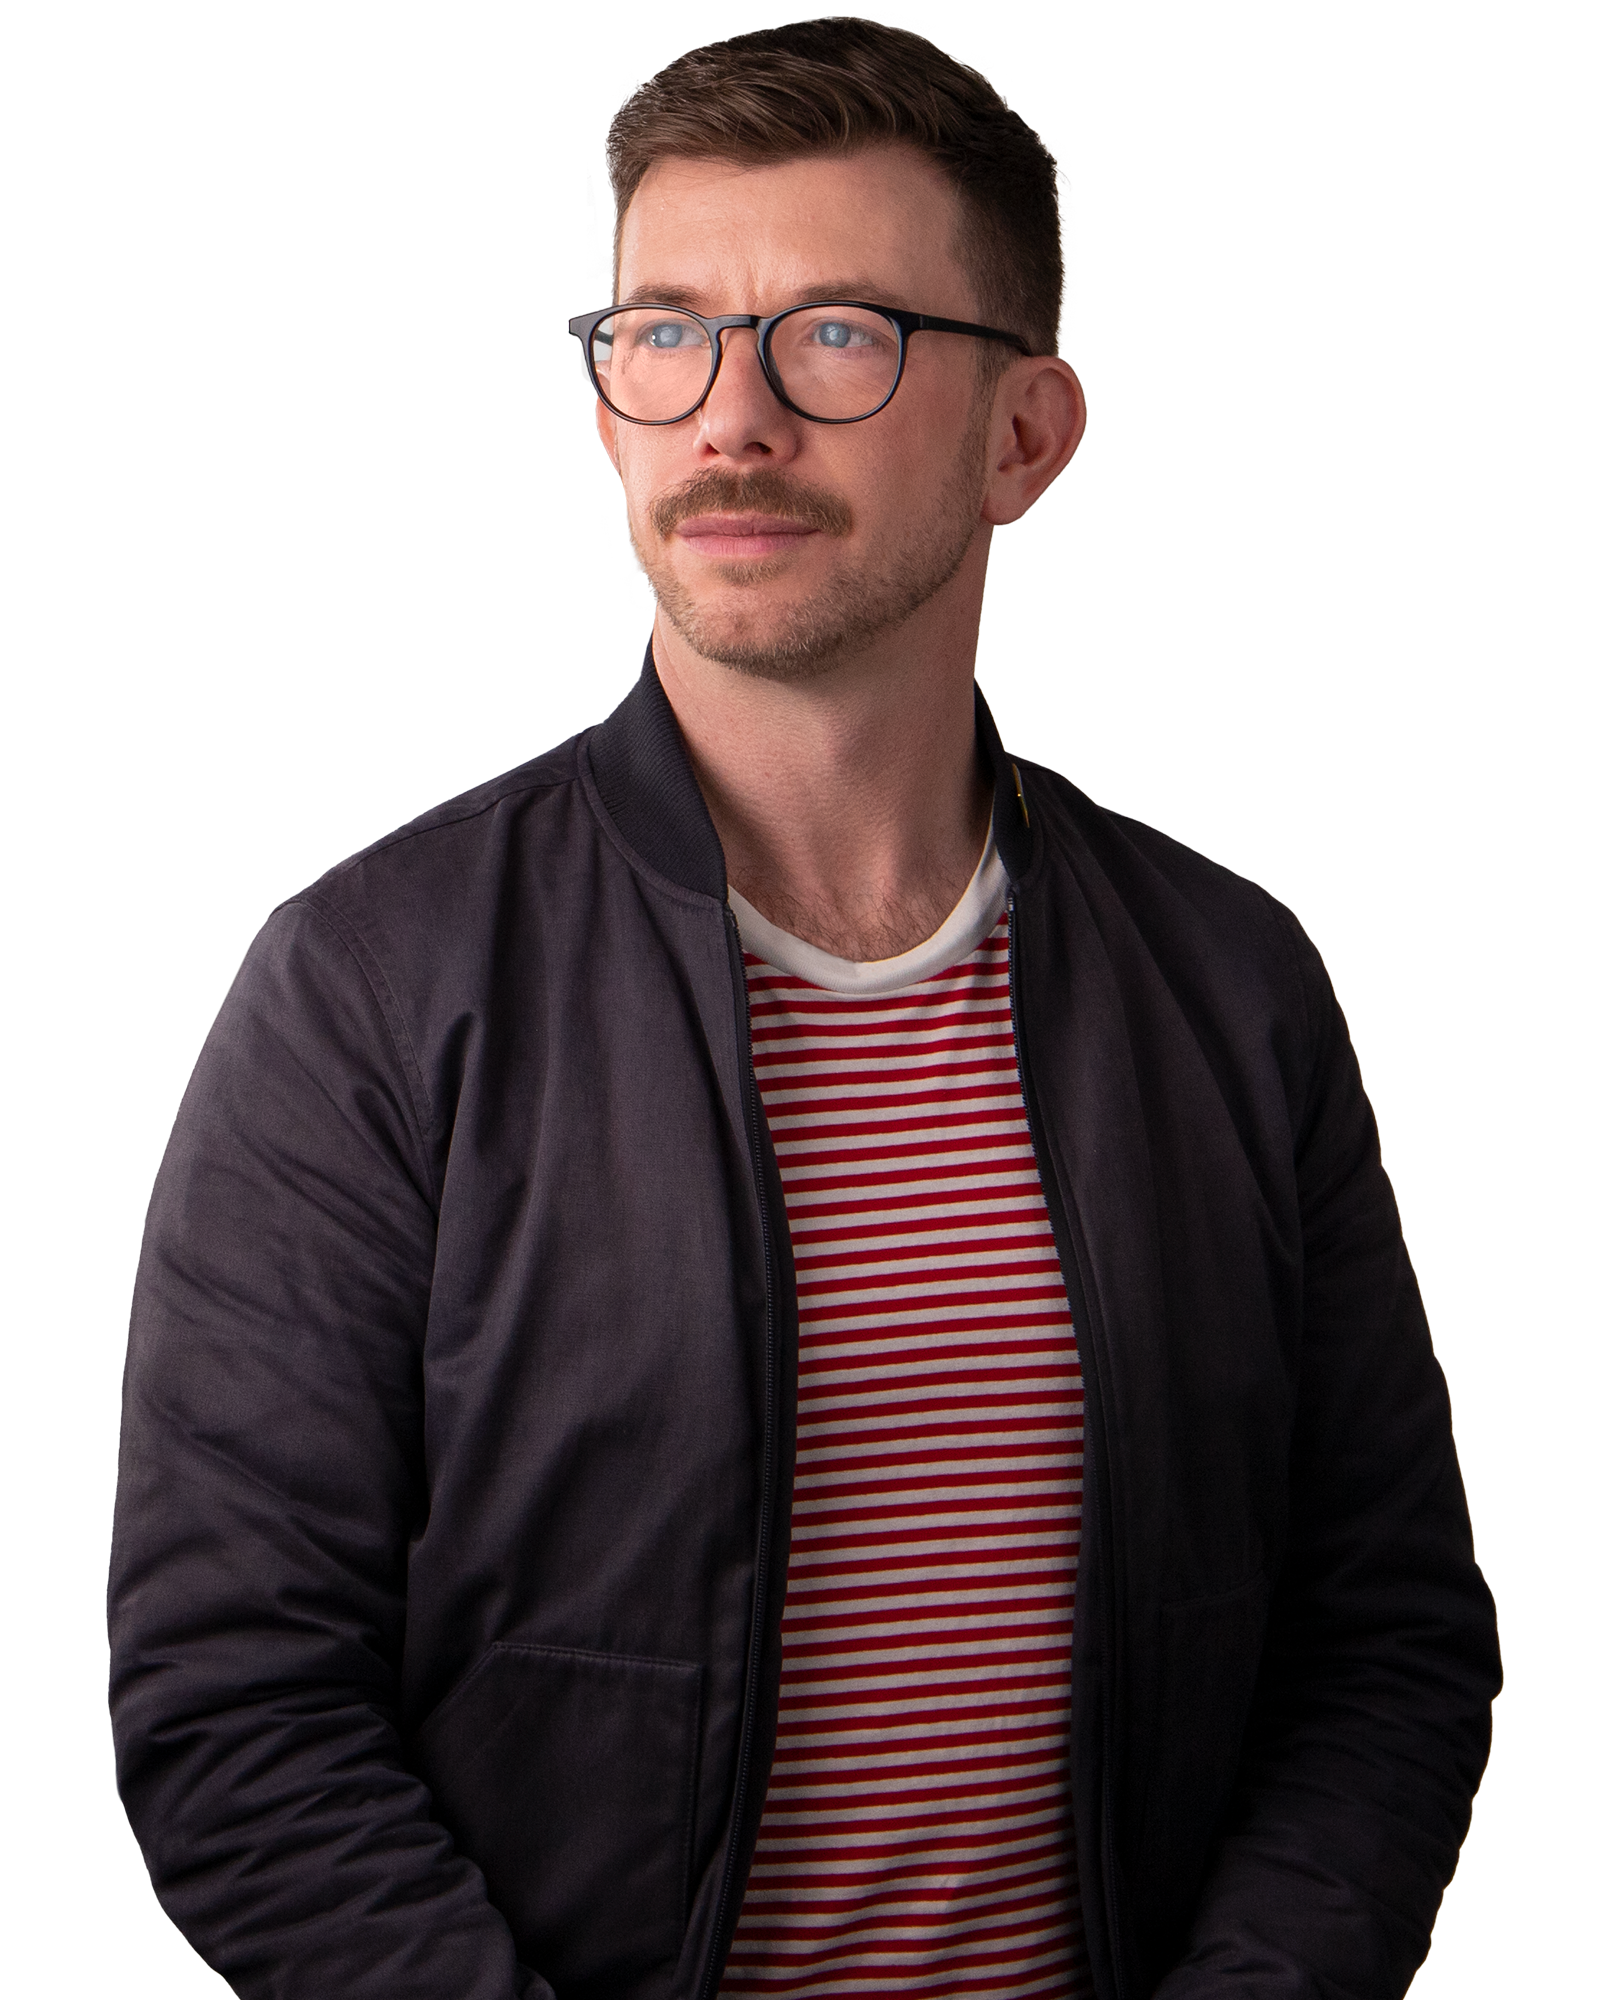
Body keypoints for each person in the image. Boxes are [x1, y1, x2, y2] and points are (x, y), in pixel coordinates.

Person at [108, 20, 1499, 2000]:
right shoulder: (372, 985)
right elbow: (233, 1707)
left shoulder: (1232, 986)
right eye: (664, 335)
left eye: (835, 337)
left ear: (1025, 433)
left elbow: (1377, 1642)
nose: (728, 420)